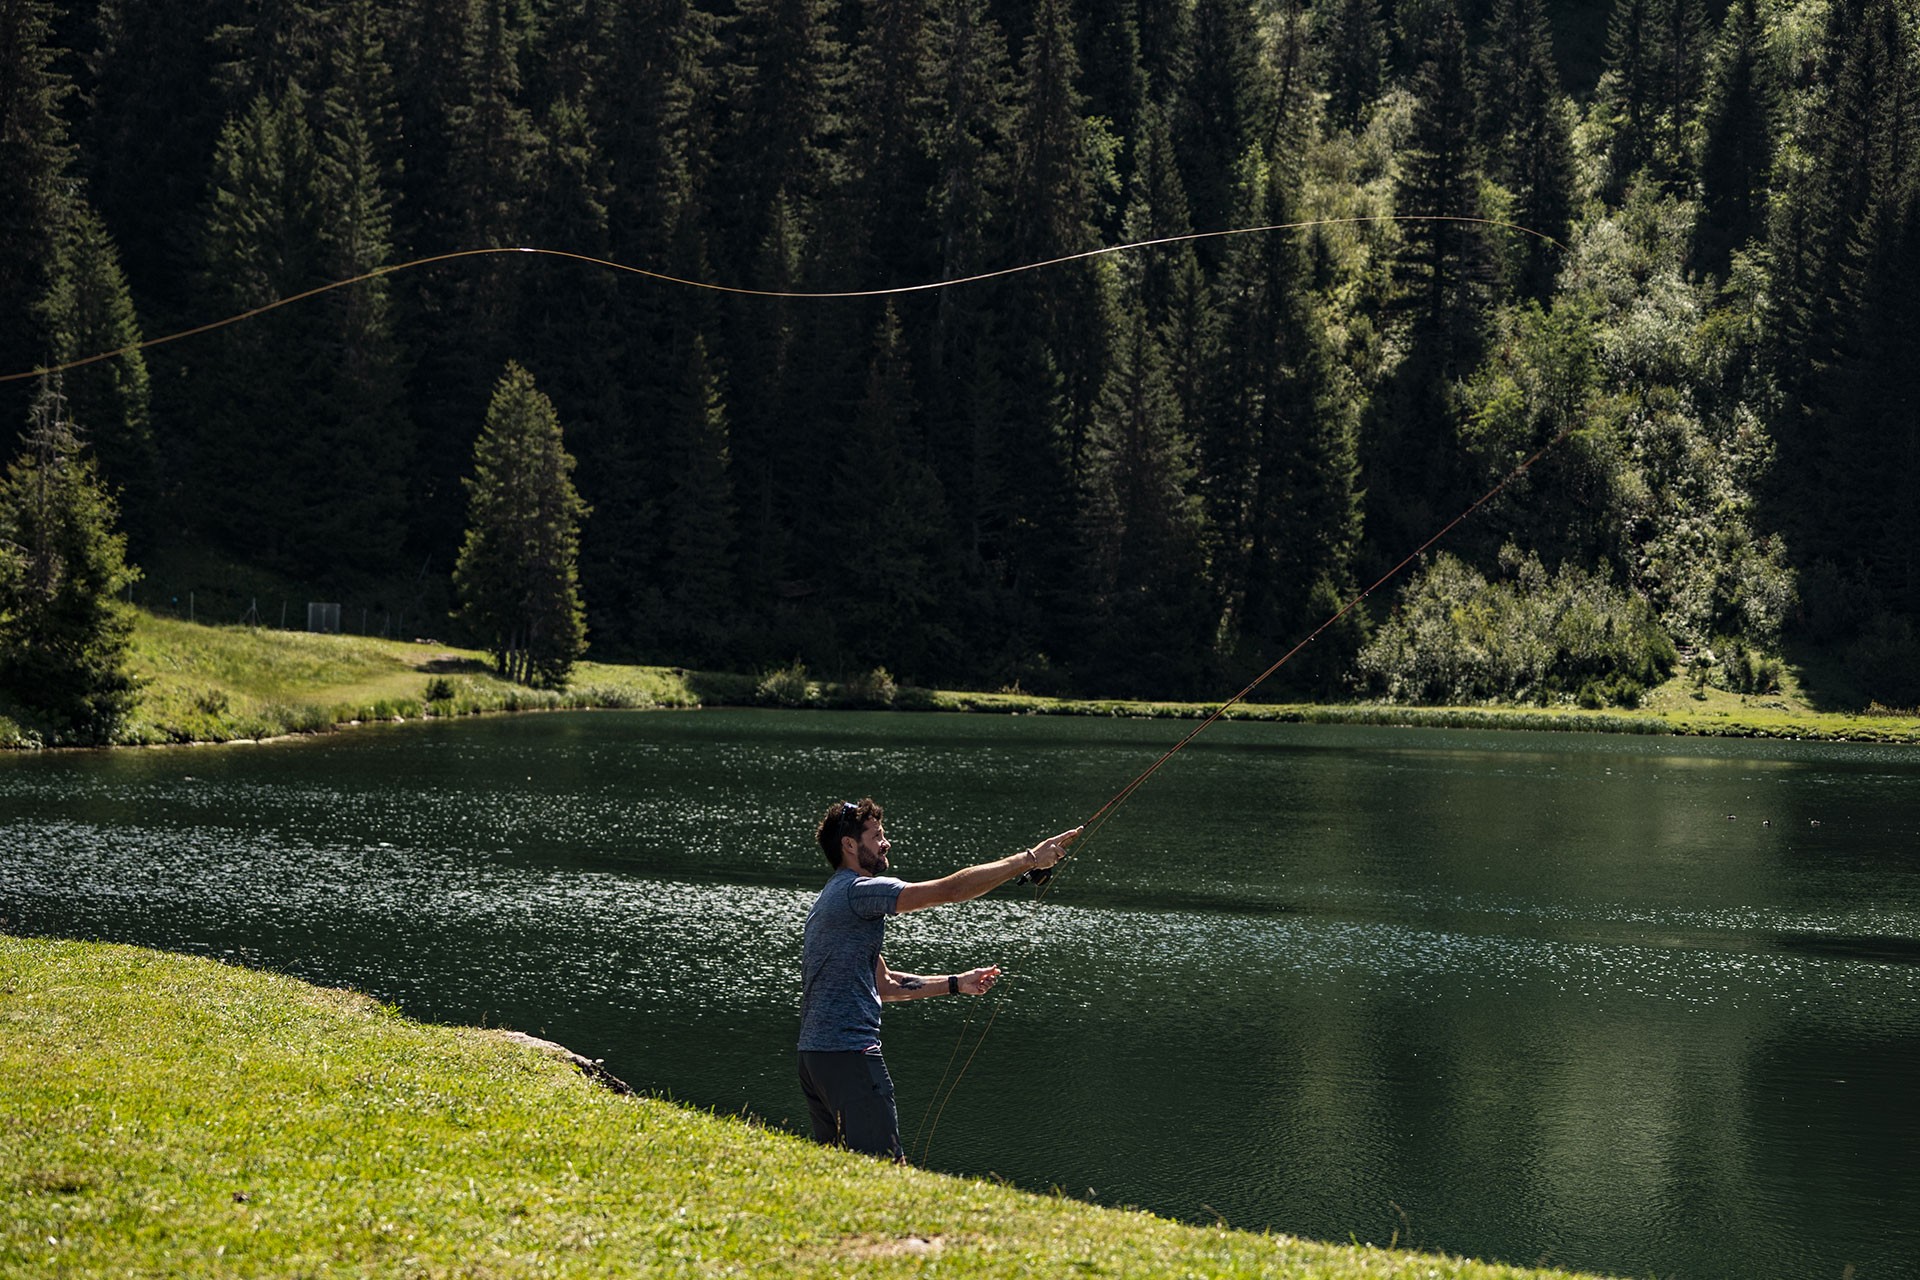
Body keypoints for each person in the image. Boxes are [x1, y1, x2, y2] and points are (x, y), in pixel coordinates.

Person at [796, 796, 1081, 1162]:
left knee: (839, 1175)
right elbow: (949, 891)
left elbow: (883, 985)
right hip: (849, 1057)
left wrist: (956, 983)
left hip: (815, 1059)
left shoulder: (831, 898)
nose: (886, 842)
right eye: (877, 836)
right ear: (849, 846)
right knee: (883, 1172)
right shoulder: (858, 892)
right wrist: (1029, 860)